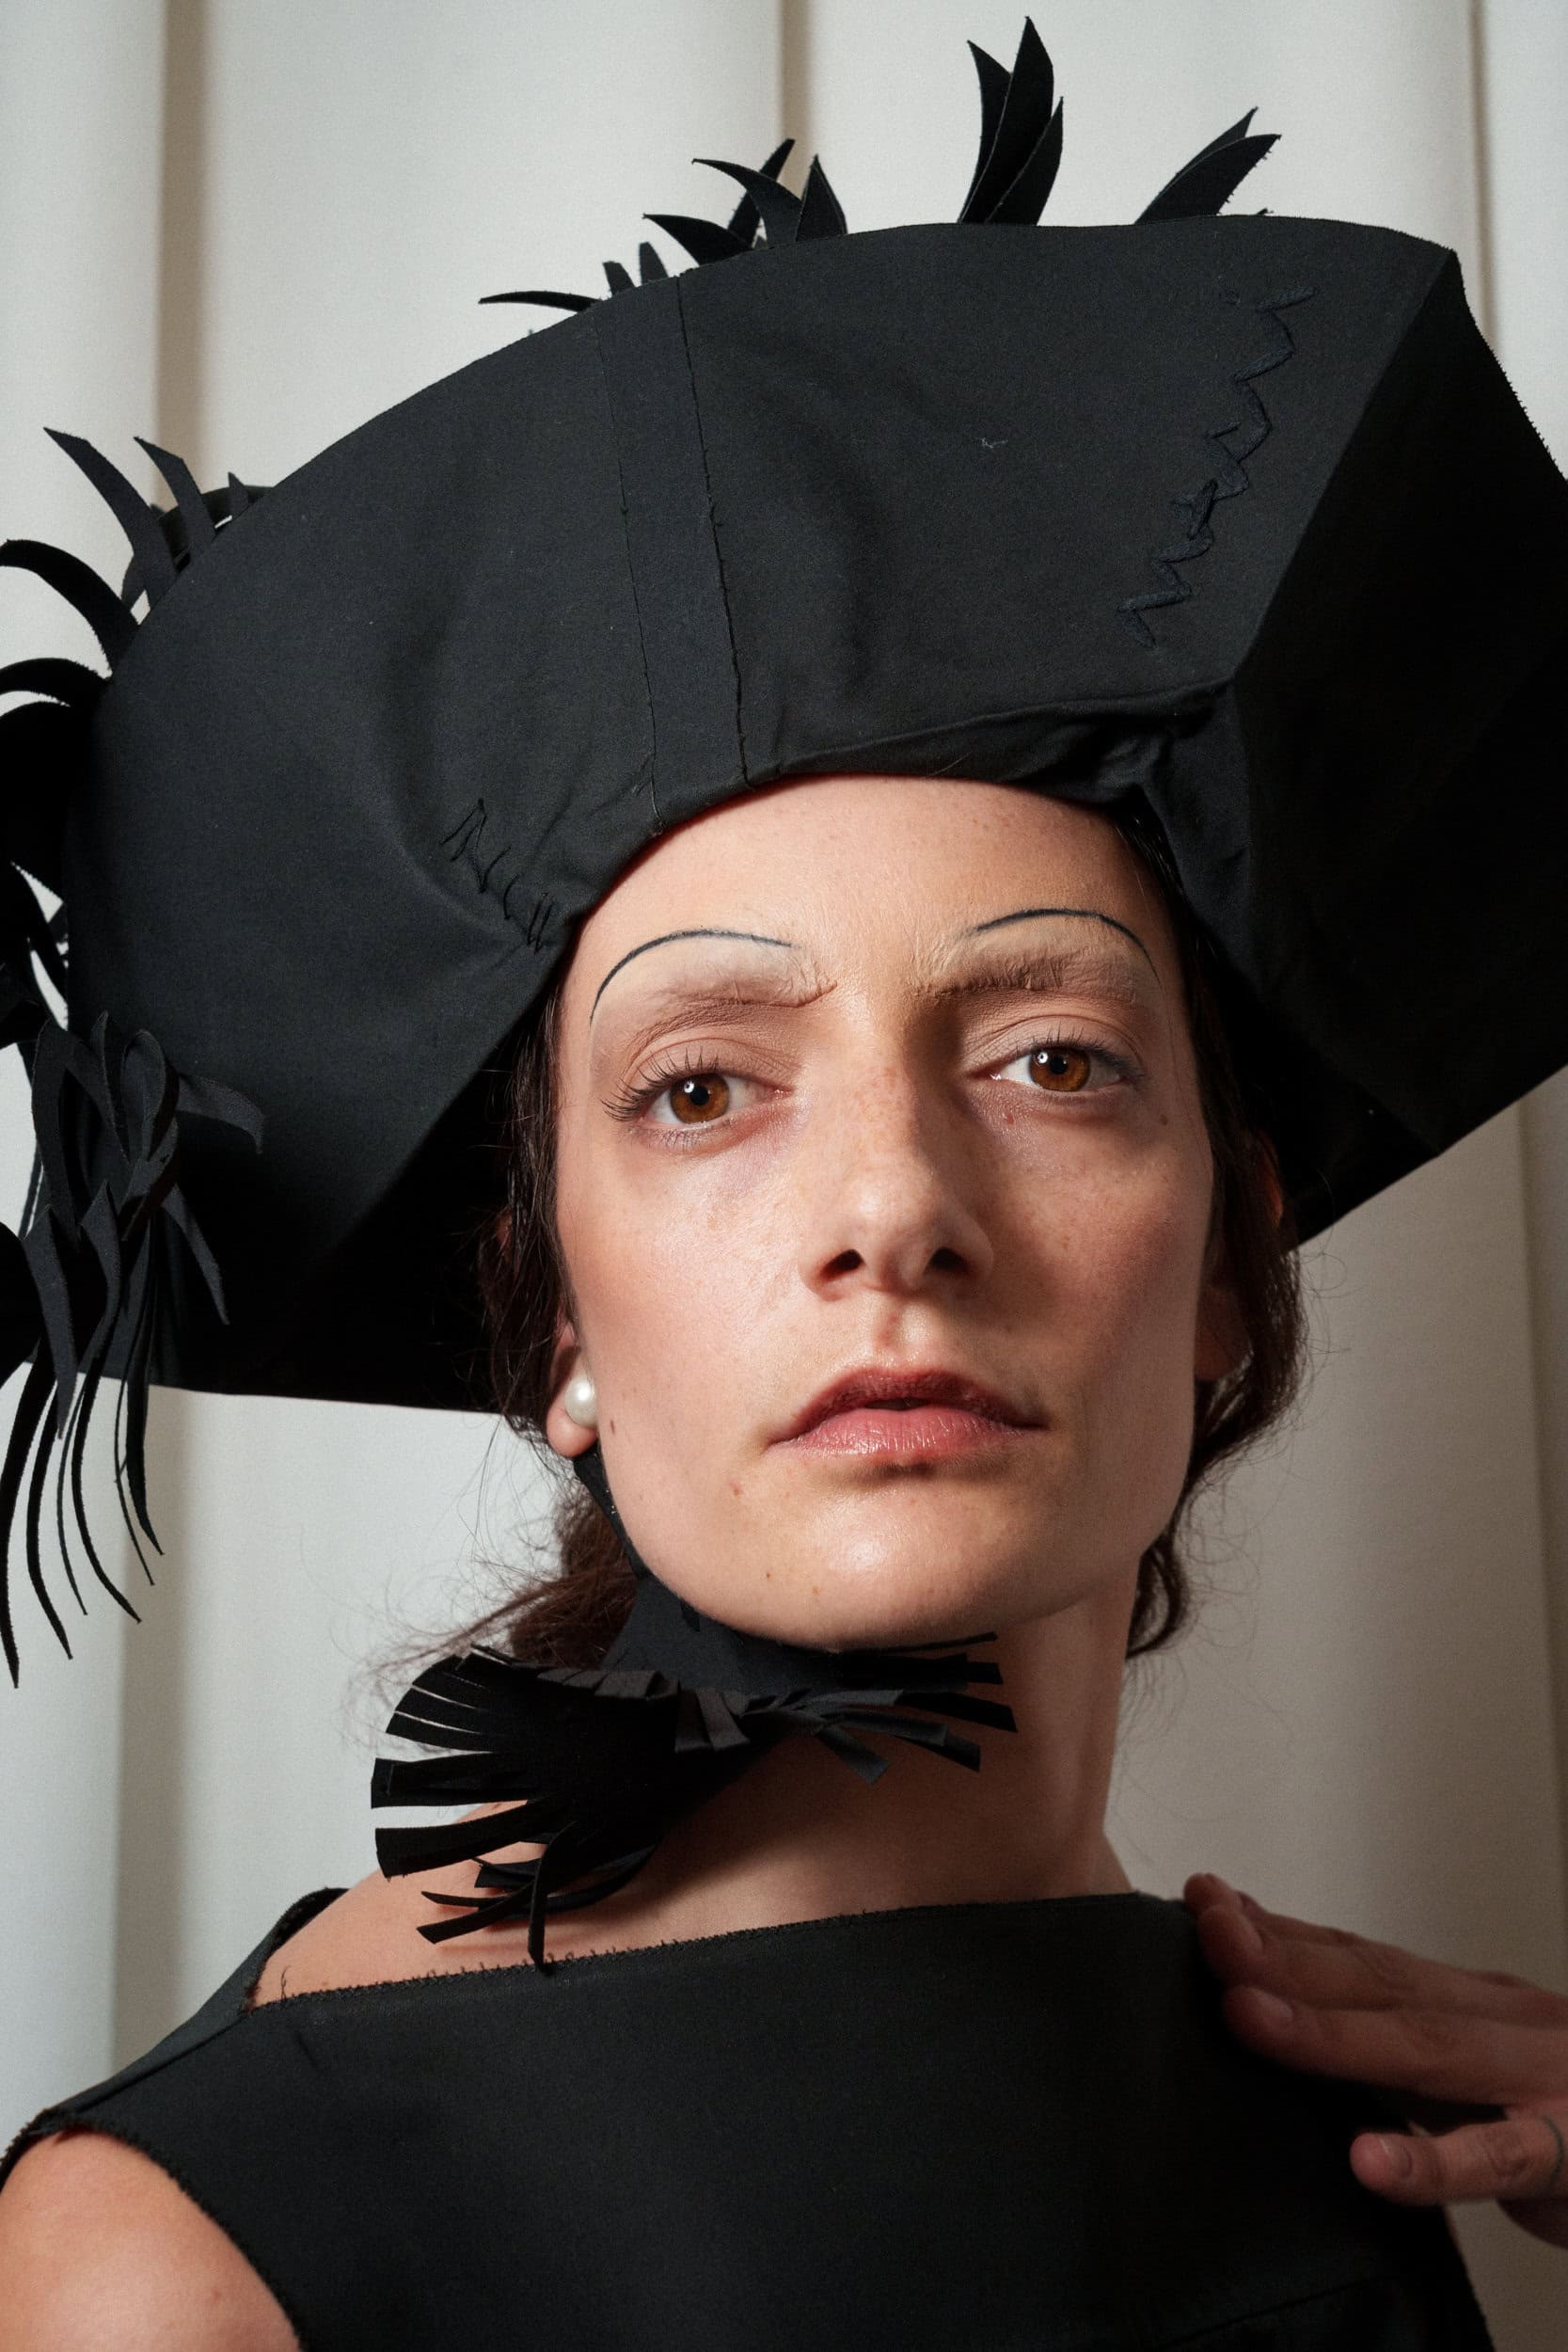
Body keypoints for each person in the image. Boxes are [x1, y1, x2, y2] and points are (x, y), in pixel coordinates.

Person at [1, 20, 1566, 2348]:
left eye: (1050, 1058)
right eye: (705, 1088)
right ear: (553, 1315)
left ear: (1235, 1255)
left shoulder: (1376, 2129)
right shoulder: (189, 2245)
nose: (892, 1205)